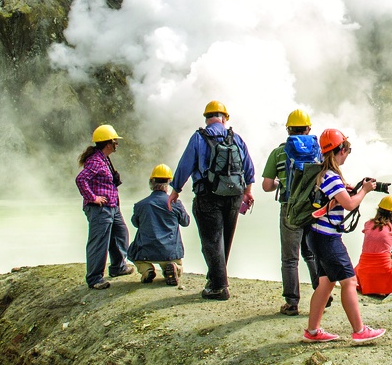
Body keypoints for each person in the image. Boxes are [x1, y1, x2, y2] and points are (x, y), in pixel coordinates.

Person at [301, 129, 386, 343]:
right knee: (349, 281)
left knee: (326, 283)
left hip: (316, 235)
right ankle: (359, 330)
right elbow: (349, 205)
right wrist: (364, 190)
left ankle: (312, 331)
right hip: (328, 239)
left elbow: (336, 198)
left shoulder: (322, 174)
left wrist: (351, 189)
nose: (348, 154)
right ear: (340, 150)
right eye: (347, 149)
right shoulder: (332, 177)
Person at [170, 100, 256, 301]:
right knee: (225, 238)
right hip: (234, 195)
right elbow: (249, 168)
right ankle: (215, 279)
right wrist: (248, 192)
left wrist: (175, 190)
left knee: (211, 240)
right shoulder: (236, 138)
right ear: (224, 118)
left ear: (207, 119)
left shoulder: (199, 138)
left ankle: (219, 286)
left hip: (208, 195)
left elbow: (186, 164)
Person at [261, 109, 321, 315]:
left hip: (289, 208)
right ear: (308, 129)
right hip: (312, 208)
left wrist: (280, 182)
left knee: (289, 258)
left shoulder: (279, 153)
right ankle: (322, 293)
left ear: (288, 130)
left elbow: (266, 185)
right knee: (311, 253)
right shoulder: (317, 151)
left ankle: (292, 303)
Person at [75, 124, 131, 290]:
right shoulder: (96, 161)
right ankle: (94, 278)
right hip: (100, 209)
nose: (117, 144)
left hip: (112, 207)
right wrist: (93, 198)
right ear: (108, 143)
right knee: (99, 242)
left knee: (120, 234)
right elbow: (80, 179)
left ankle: (118, 267)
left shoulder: (104, 158)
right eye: (115, 141)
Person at [128, 163, 188, 287]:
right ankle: (174, 268)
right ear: (169, 183)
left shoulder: (140, 205)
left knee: (132, 252)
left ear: (152, 182)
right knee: (174, 261)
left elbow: (135, 223)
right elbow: (186, 222)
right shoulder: (175, 203)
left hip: (145, 252)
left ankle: (147, 270)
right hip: (170, 252)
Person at [356, 196, 392, 298]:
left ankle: (371, 286)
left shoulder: (368, 224)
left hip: (364, 268)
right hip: (384, 269)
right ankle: (387, 288)